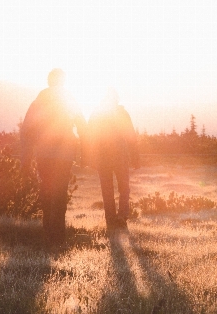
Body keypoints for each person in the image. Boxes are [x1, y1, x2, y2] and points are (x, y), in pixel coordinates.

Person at [21, 68, 85, 246]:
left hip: (44, 155)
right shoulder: (69, 99)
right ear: (63, 82)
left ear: (49, 81)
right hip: (64, 156)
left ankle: (48, 234)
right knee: (59, 194)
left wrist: (25, 161)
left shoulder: (38, 102)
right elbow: (82, 126)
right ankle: (58, 237)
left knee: (47, 191)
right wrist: (86, 154)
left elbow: (27, 131)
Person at [86, 88, 139, 230]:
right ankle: (122, 218)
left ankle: (110, 220)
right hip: (120, 157)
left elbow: (89, 136)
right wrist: (135, 158)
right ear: (116, 99)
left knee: (107, 190)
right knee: (124, 188)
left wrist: (88, 157)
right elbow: (131, 136)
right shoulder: (122, 113)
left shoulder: (97, 114)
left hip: (103, 159)